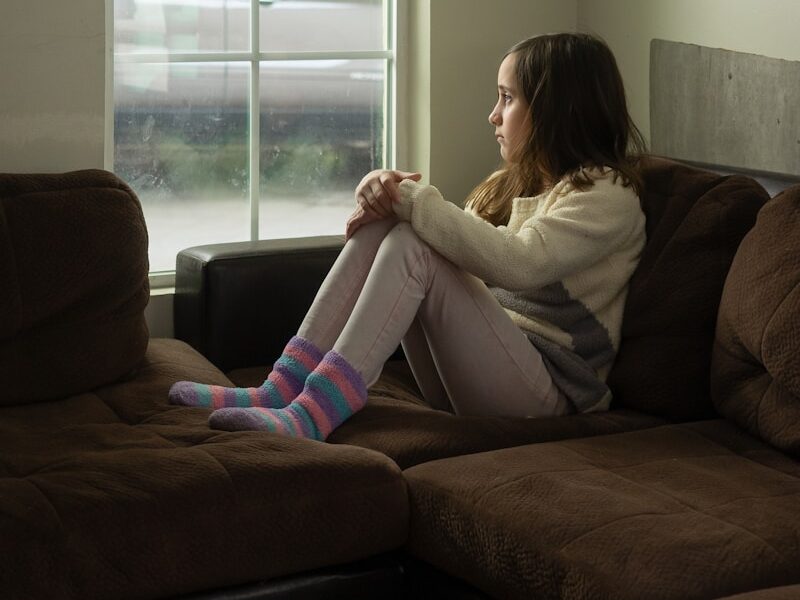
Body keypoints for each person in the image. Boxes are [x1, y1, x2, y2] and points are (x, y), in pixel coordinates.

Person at [168, 32, 648, 441]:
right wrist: (382, 192)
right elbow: (455, 250)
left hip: (550, 397)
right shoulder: (510, 185)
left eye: (507, 98)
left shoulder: (607, 196)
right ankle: (281, 388)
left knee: (414, 238)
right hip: (483, 375)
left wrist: (410, 199)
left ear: (555, 110)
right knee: (398, 226)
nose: (493, 115)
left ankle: (314, 413)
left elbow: (519, 264)